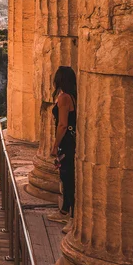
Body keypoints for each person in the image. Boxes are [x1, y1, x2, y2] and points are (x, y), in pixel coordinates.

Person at [48, 66, 77, 226]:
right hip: (72, 140)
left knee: (66, 176)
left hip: (65, 141)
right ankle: (68, 211)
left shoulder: (64, 98)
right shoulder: (73, 96)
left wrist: (55, 145)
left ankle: (66, 212)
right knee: (69, 175)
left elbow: (63, 124)